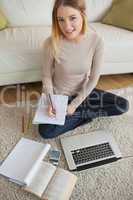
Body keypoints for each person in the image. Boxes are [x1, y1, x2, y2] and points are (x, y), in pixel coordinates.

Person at [39, 0, 129, 139]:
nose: (66, 26)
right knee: (46, 132)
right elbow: (46, 76)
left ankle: (76, 115)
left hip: (84, 93)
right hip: (60, 96)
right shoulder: (51, 43)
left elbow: (93, 79)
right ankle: (84, 115)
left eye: (72, 18)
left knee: (122, 105)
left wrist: (75, 105)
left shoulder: (97, 41)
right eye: (61, 20)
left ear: (83, 15)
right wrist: (51, 101)